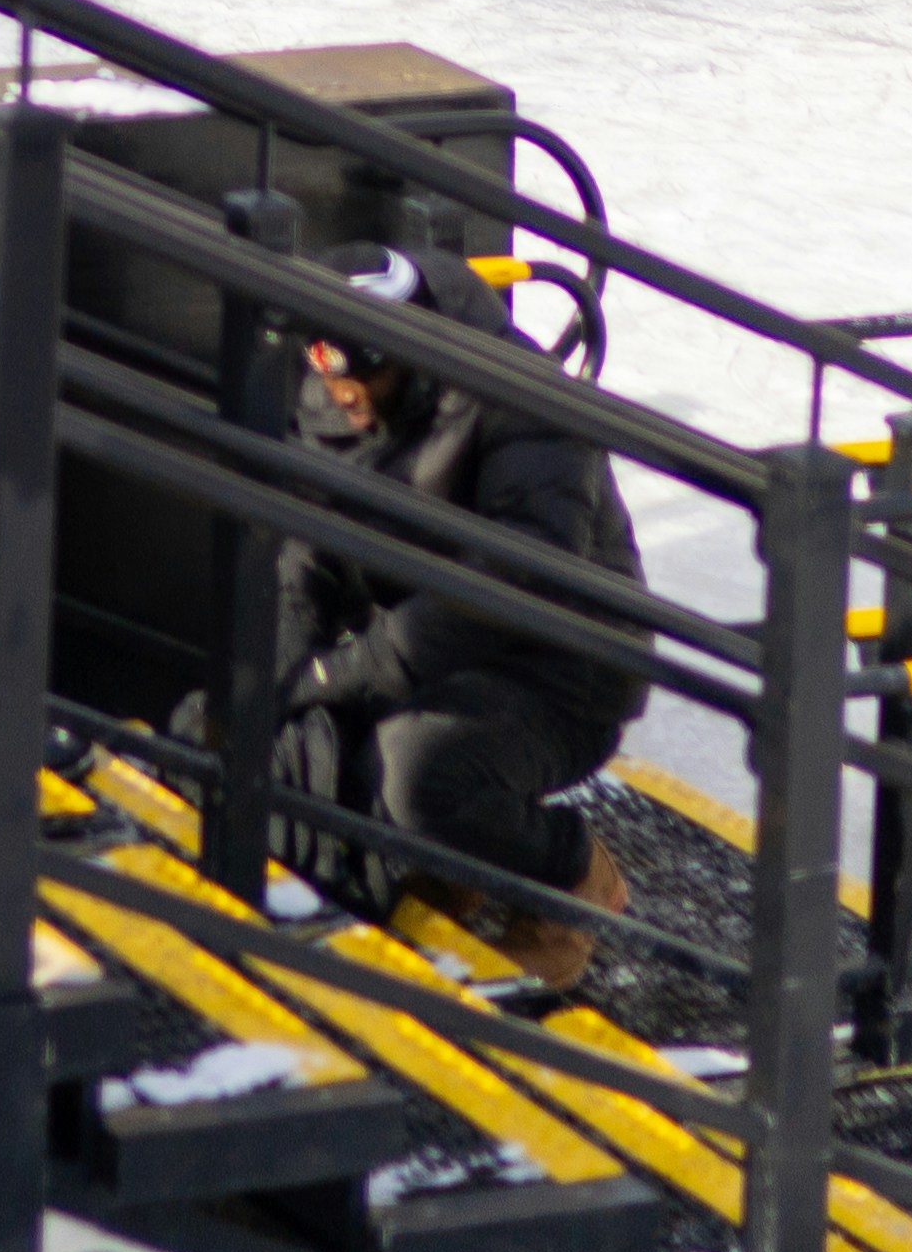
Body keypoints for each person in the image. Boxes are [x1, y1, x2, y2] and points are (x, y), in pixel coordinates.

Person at [268, 244, 646, 989]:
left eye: (366, 365)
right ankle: (460, 864)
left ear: (413, 345)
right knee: (283, 723)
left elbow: (521, 576)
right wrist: (285, 677)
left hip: (564, 664)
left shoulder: (518, 395)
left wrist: (353, 670)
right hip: (431, 651)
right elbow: (297, 567)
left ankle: (573, 879)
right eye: (325, 361)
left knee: (415, 773)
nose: (344, 390)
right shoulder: (332, 394)